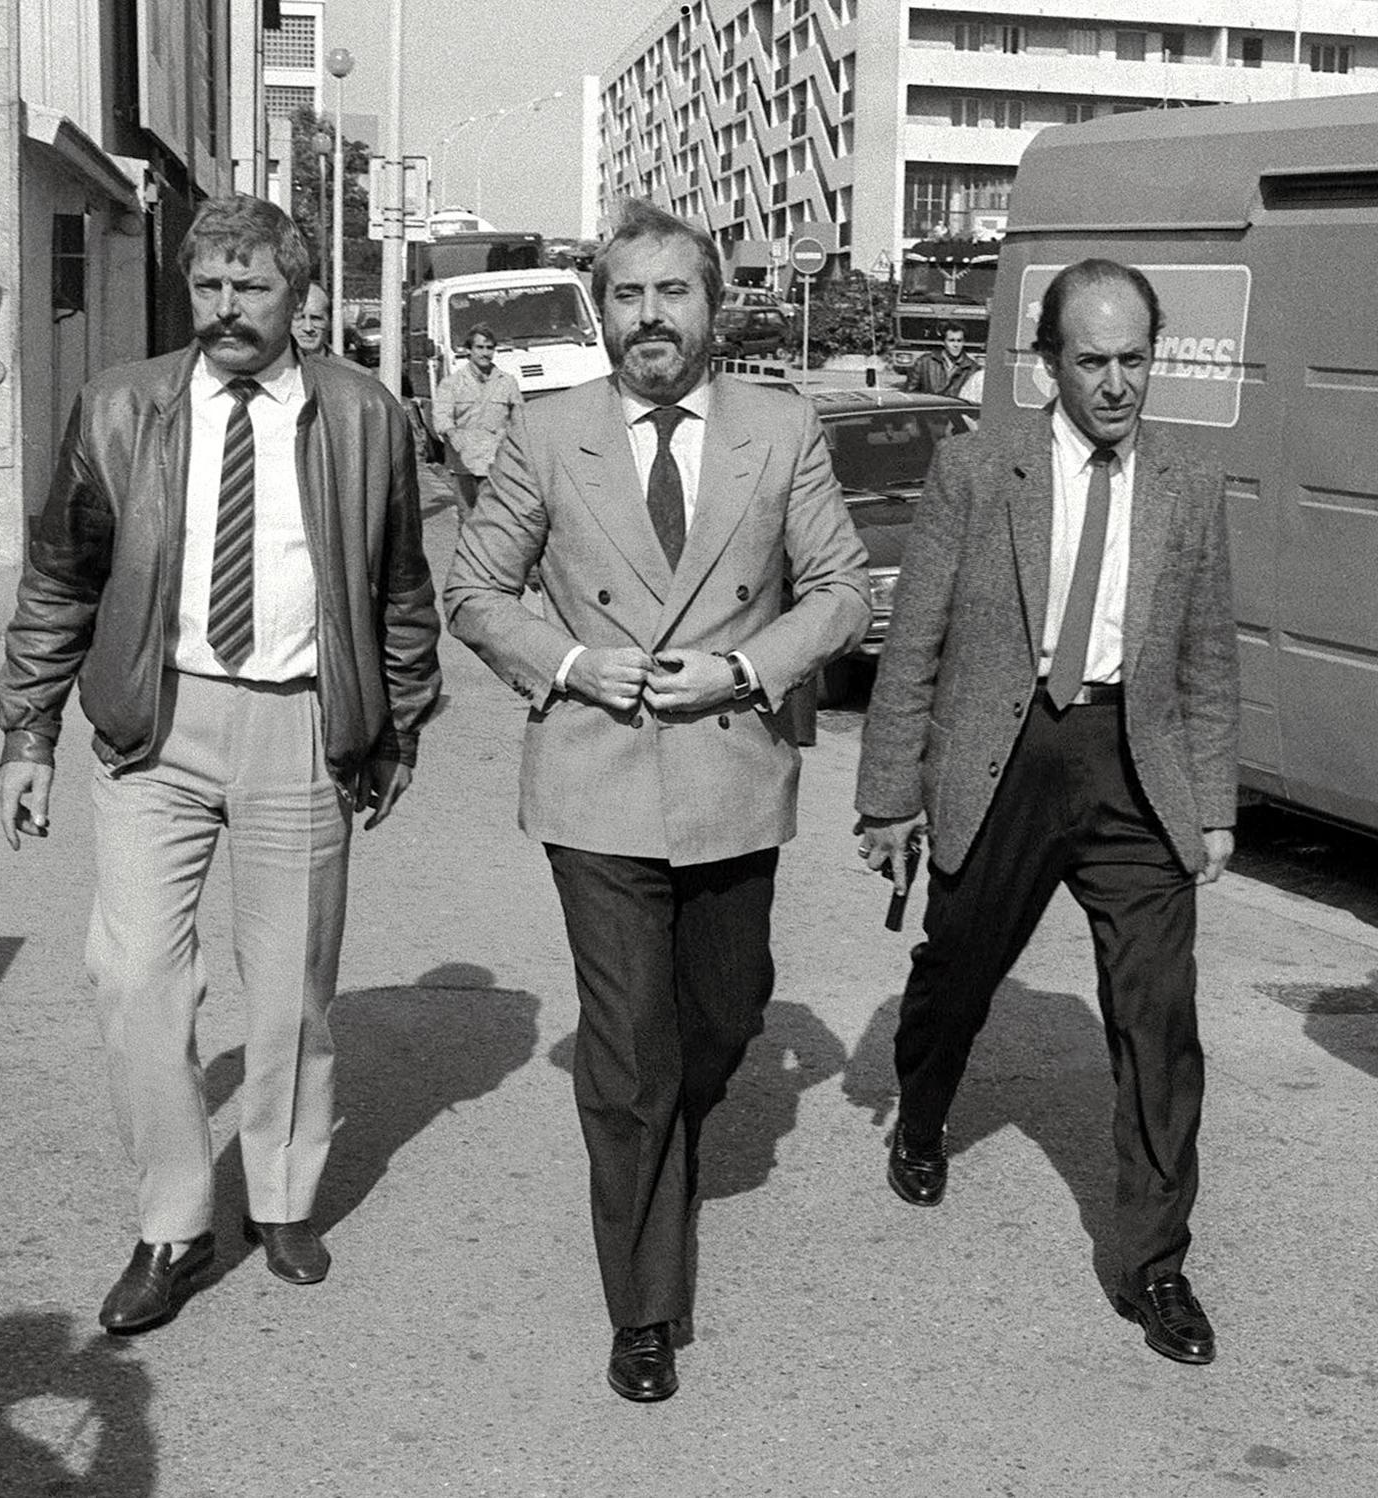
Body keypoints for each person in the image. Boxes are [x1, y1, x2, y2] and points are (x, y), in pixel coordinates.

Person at [0, 194, 443, 1335]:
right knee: (133, 973)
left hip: (302, 724)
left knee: (290, 983)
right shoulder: (118, 409)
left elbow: (399, 589)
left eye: (252, 286)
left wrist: (397, 725)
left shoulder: (362, 416)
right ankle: (175, 1222)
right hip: (157, 723)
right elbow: (59, 580)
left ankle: (283, 1195)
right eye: (209, 285)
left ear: (299, 296)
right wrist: (28, 731)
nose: (228, 309)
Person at [444, 200, 868, 1403]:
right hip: (595, 777)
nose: (648, 319)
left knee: (722, 1016)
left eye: (670, 294)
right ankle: (643, 1306)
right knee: (629, 1054)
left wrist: (744, 665)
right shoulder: (546, 429)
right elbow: (478, 587)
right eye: (625, 296)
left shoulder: (780, 431)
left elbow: (839, 589)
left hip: (735, 772)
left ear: (711, 306)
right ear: (600, 309)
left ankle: (668, 1141)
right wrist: (574, 662)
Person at [855, 259, 1240, 1365]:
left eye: (1134, 360)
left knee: (1160, 1020)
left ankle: (1152, 1262)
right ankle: (921, 1108)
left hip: (1135, 764)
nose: (1116, 384)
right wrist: (888, 798)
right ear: (1047, 364)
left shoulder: (1188, 482)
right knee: (956, 970)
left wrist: (1211, 807)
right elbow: (912, 644)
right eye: (1092, 361)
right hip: (1007, 749)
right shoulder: (978, 471)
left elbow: (1208, 659)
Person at [431, 323, 523, 512]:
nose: (485, 353)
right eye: (480, 347)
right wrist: (451, 433)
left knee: (496, 517)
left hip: (496, 460)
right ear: (469, 350)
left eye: (490, 348)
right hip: (465, 462)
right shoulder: (452, 384)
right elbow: (441, 417)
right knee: (468, 516)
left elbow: (520, 418)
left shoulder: (507, 382)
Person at [903, 323, 977, 397]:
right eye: (951, 340)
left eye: (959, 341)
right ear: (943, 342)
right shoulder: (924, 363)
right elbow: (910, 393)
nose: (955, 345)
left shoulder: (972, 368)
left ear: (964, 342)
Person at [291, 279, 331, 358]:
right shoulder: (266, 368)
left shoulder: (349, 370)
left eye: (316, 318)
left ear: (330, 322)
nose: (308, 328)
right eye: (299, 318)